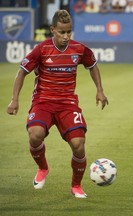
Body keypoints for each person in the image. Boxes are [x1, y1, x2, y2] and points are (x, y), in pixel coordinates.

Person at [6, 10, 108, 198]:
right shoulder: (42, 49)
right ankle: (43, 168)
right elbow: (21, 72)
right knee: (35, 135)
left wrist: (100, 90)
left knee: (78, 144)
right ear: (53, 30)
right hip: (43, 102)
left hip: (67, 104)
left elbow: (92, 65)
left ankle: (76, 186)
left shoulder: (79, 49)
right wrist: (14, 99)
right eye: (62, 32)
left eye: (69, 32)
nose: (66, 36)